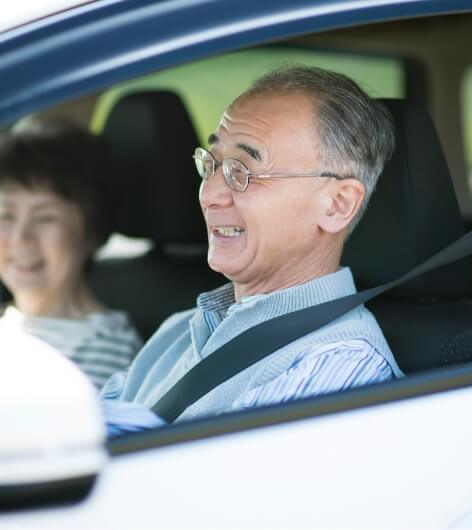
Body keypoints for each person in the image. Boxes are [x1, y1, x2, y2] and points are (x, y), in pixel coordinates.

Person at [101, 65, 403, 429]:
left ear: (337, 205)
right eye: (211, 164)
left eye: (242, 172)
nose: (209, 193)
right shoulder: (180, 330)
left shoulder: (337, 366)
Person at [0, 120, 142, 388]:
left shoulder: (109, 352)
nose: (20, 238)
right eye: (6, 216)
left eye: (45, 218)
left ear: (92, 232)